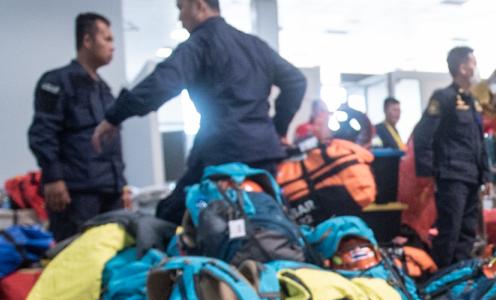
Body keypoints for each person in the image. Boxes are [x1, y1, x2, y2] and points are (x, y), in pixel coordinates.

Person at [92, 0, 307, 224]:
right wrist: (277, 129)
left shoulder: (199, 44)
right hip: (262, 156)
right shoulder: (255, 45)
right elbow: (296, 81)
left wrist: (114, 116)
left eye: (181, 8)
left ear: (199, 5)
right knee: (265, 221)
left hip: (220, 154)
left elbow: (161, 83)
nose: (179, 17)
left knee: (170, 216)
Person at [28, 13, 128, 242]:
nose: (113, 46)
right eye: (107, 39)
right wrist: (53, 178)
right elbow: (42, 132)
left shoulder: (105, 90)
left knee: (110, 260)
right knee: (74, 261)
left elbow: (112, 142)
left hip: (109, 192)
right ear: (87, 41)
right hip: (76, 194)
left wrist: (120, 185)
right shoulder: (56, 81)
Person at [411, 46, 488, 268]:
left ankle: (459, 278)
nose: (475, 67)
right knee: (450, 231)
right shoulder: (443, 98)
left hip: (472, 177)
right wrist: (428, 173)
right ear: (462, 68)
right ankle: (439, 280)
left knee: (467, 231)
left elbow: (478, 141)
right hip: (451, 176)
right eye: (472, 62)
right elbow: (423, 135)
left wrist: (487, 176)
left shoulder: (472, 101)